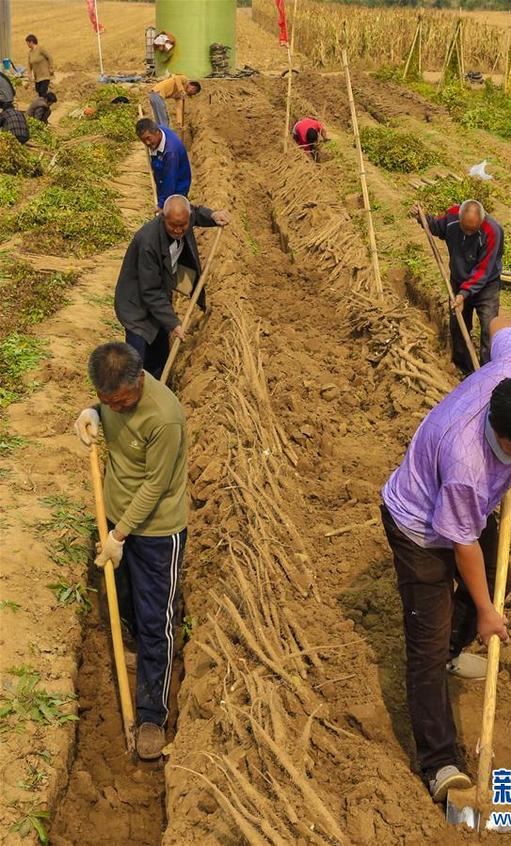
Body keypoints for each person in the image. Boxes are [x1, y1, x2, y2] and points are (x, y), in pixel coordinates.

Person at [380, 316, 511, 803]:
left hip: (470, 513)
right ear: (503, 439)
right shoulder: (466, 464)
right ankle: (438, 763)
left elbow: (502, 322)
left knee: (477, 583)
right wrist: (487, 612)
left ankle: (456, 651)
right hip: (419, 525)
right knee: (427, 636)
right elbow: (460, 544)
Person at [73, 342, 188, 760]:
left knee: (157, 620)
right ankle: (140, 654)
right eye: (108, 403)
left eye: (120, 402)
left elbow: (155, 487)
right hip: (117, 522)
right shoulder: (112, 400)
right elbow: (106, 408)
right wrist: (93, 412)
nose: (116, 409)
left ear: (139, 381)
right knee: (125, 603)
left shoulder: (165, 417)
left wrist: (118, 536)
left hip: (157, 531)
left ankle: (152, 713)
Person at [114, 195, 230, 379]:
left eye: (183, 226)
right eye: (173, 226)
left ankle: (159, 386)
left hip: (159, 292)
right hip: (136, 304)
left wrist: (214, 216)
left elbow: (197, 213)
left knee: (160, 352)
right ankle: (132, 397)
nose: (178, 230)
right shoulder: (148, 242)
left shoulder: (183, 218)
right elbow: (150, 291)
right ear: (162, 218)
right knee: (137, 360)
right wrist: (174, 323)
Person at [421, 200, 504, 375]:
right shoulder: (452, 218)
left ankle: (487, 372)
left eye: (472, 230)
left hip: (486, 285)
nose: (467, 232)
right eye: (464, 228)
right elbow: (437, 227)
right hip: (459, 281)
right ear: (459, 218)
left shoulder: (492, 231)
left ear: (481, 221)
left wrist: (464, 294)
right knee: (458, 325)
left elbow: (483, 270)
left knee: (489, 327)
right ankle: (463, 368)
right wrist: (422, 217)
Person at [136, 117, 191, 212]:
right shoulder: (158, 133)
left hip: (177, 189)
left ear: (157, 132)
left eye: (148, 139)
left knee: (174, 216)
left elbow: (169, 180)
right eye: (143, 140)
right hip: (164, 182)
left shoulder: (171, 152)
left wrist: (162, 204)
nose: (147, 143)